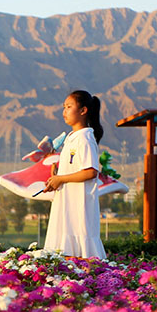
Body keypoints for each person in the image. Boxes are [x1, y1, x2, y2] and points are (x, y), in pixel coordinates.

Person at [42, 90, 106, 259]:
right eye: (64, 107)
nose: (64, 111)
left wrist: (61, 178)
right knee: (64, 250)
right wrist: (56, 176)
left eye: (69, 106)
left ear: (83, 111)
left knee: (80, 251)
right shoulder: (72, 137)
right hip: (67, 202)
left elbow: (91, 171)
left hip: (79, 204)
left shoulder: (85, 138)